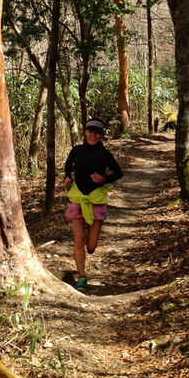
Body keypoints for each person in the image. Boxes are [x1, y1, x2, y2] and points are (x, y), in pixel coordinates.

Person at [63, 118, 123, 292]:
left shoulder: (104, 154)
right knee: (79, 239)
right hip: (78, 198)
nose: (93, 135)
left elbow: (118, 172)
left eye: (97, 132)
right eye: (90, 131)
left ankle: (89, 250)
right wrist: (67, 177)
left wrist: (105, 179)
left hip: (96, 199)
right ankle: (81, 277)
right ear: (85, 132)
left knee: (91, 245)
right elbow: (68, 166)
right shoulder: (77, 150)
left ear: (101, 135)